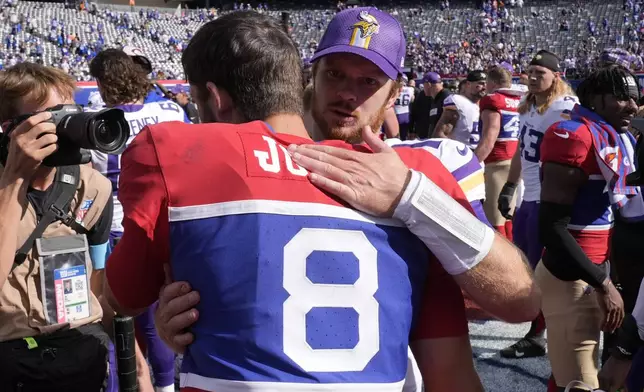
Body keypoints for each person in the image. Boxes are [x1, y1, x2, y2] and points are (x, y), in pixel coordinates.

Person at [105, 9, 537, 392]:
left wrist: (412, 197)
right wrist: (179, 317)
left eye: (369, 81)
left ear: (393, 93)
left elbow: (519, 301)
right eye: (335, 74)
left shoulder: (417, 177)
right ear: (310, 73)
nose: (348, 93)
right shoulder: (427, 169)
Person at [0, 62, 118, 391]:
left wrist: (132, 359)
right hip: (12, 360)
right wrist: (13, 180)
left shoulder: (94, 188)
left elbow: (99, 277)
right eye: (51, 117)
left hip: (81, 351)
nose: (68, 126)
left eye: (71, 112)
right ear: (10, 127)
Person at [89, 47, 190, 392]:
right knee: (162, 316)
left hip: (122, 226)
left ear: (103, 83)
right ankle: (164, 386)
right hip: (172, 224)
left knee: (121, 321)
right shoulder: (171, 110)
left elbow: (92, 179)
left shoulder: (99, 121)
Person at [536, 65, 634, 391]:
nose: (633, 107)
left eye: (635, 99)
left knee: (580, 376)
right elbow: (551, 227)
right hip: (571, 276)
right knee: (580, 384)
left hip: (596, 271)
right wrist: (603, 283)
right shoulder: (572, 135)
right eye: (622, 98)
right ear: (595, 98)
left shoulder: (616, 137)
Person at [498, 50, 578, 361]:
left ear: (556, 76)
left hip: (548, 198)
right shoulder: (530, 104)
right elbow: (521, 148)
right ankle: (538, 329)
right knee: (527, 267)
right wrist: (509, 186)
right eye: (529, 71)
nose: (532, 77)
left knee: (544, 271)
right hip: (528, 197)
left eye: (539, 73)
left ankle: (538, 335)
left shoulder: (564, 108)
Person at [474, 66, 525, 239]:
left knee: (494, 219)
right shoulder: (518, 99)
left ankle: (503, 263)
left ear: (493, 82)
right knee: (507, 215)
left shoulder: (493, 100)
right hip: (516, 161)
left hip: (498, 163)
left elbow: (489, 138)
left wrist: (471, 164)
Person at [432, 70, 486, 149]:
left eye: (486, 83)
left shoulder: (486, 104)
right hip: (462, 154)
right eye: (480, 83)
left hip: (480, 155)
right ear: (468, 84)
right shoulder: (458, 102)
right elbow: (439, 135)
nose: (484, 87)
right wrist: (457, 154)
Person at [393, 74, 414, 140]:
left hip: (395, 114)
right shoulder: (411, 89)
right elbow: (412, 100)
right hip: (406, 114)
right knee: (403, 137)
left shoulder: (394, 88)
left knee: (393, 137)